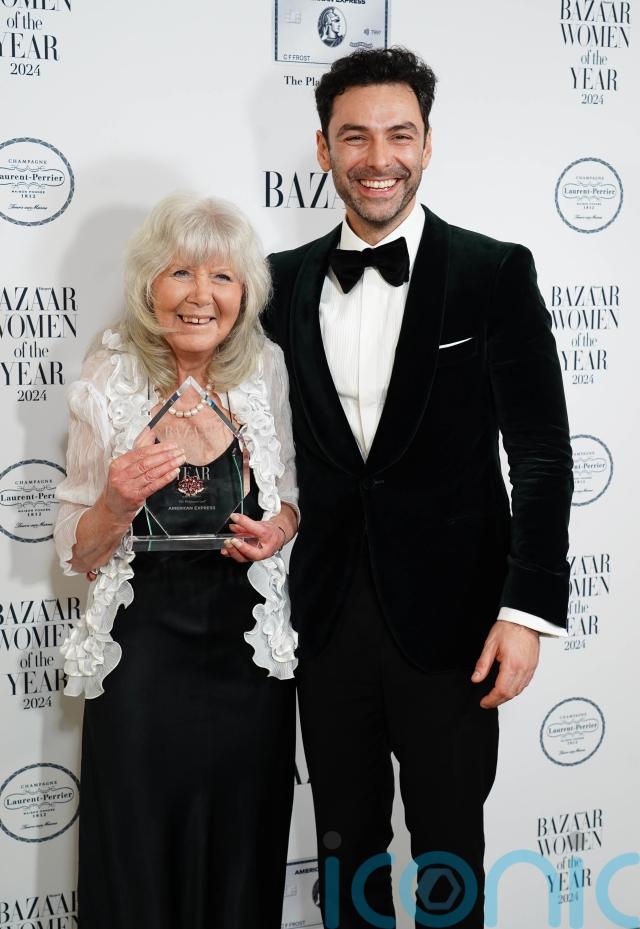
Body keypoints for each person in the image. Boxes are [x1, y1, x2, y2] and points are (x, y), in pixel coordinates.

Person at [264, 47, 573, 928]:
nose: (379, 158)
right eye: (354, 136)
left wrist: (527, 611)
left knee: (448, 857)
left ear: (428, 145)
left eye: (400, 135)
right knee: (345, 856)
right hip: (325, 619)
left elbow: (541, 455)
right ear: (323, 148)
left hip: (457, 625)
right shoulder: (277, 282)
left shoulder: (493, 271)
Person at [54, 193, 299, 929]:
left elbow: (290, 498)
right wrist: (115, 502)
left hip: (247, 658)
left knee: (242, 846)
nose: (201, 296)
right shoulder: (110, 373)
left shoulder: (265, 368)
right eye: (181, 272)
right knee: (137, 851)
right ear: (148, 284)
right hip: (142, 656)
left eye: (222, 277)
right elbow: (77, 549)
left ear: (244, 293)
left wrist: (280, 528)